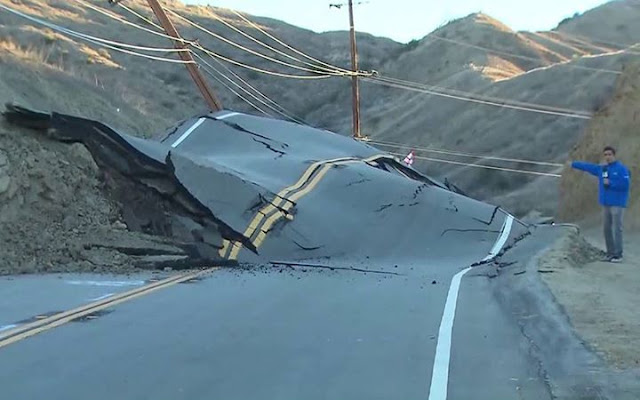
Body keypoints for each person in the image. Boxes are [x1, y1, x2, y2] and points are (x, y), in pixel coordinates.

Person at [570, 146, 631, 262]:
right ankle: (610, 253)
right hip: (606, 203)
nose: (607, 157)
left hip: (617, 203)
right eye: (605, 155)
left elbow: (625, 185)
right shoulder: (603, 169)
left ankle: (618, 254)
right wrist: (574, 164)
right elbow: (588, 167)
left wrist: (611, 183)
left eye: (609, 154)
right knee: (606, 228)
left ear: (614, 155)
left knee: (617, 229)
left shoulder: (621, 169)